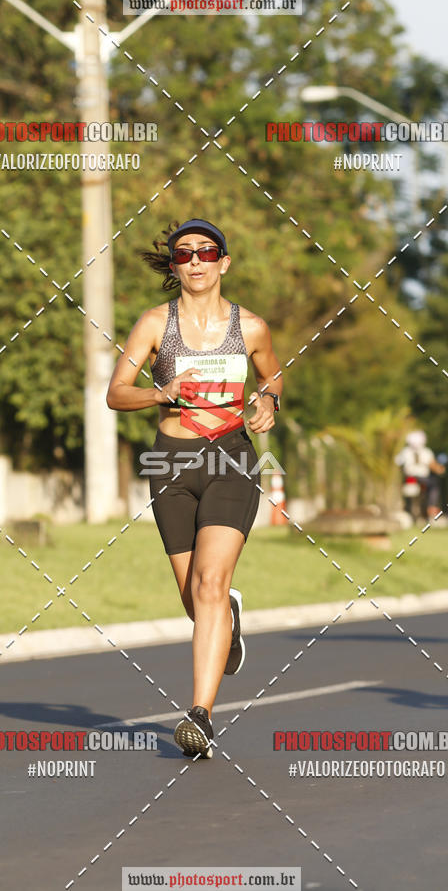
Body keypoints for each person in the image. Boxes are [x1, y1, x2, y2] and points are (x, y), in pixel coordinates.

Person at [106, 218, 282, 758]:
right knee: (195, 599)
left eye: (207, 252)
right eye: (185, 254)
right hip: (170, 463)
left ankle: (200, 717)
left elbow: (271, 375)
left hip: (231, 457)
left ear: (224, 262)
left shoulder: (250, 327)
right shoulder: (154, 324)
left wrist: (268, 402)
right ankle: (226, 615)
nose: (197, 261)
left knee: (207, 585)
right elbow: (116, 393)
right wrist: (162, 392)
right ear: (176, 266)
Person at [395, 429, 446, 522]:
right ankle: (431, 507)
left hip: (409, 478)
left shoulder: (405, 451)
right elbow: (433, 466)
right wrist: (440, 469)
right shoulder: (426, 451)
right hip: (421, 479)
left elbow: (397, 462)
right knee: (434, 484)